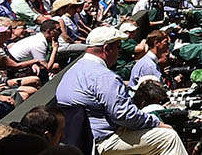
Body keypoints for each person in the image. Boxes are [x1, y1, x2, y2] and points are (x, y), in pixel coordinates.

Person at [54, 26, 185, 155]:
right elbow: (124, 115)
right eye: (118, 47)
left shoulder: (71, 72)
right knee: (169, 137)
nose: (119, 53)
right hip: (102, 141)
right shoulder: (104, 76)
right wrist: (156, 122)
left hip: (79, 138)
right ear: (107, 49)